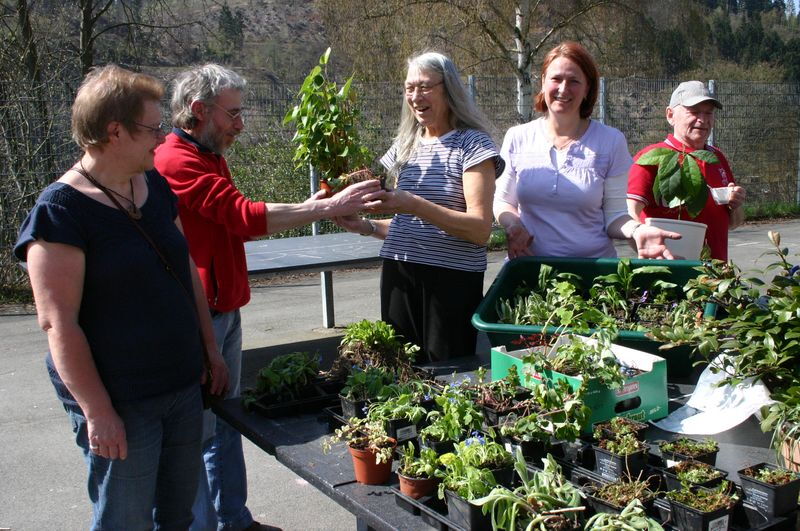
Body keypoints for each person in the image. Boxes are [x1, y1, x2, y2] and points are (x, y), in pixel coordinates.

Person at [153, 64, 382, 531]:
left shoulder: (208, 153)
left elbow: (235, 222)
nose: (240, 124)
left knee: (223, 423)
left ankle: (234, 520)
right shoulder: (177, 161)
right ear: (199, 111)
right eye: (233, 113)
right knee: (196, 434)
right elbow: (243, 217)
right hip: (200, 318)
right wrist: (327, 207)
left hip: (223, 310)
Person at [14, 65, 229, 529]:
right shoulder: (59, 212)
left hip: (181, 386)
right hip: (122, 401)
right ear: (115, 131)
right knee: (125, 519)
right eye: (153, 128)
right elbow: (58, 323)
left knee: (177, 517)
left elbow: (185, 268)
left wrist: (210, 348)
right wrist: (97, 411)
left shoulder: (153, 186)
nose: (162, 137)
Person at [334, 51, 504, 362]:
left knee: (446, 371)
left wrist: (411, 203)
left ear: (448, 88)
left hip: (450, 279)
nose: (415, 96)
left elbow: (480, 230)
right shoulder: (405, 145)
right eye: (409, 88)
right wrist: (366, 226)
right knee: (400, 367)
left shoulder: (473, 145)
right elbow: (409, 224)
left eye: (425, 87)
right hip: (400, 271)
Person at [493, 41, 678, 260]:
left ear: (587, 88)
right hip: (528, 271)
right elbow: (503, 201)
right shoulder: (518, 137)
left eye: (574, 81)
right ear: (543, 82)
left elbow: (616, 215)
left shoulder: (610, 141)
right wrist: (514, 225)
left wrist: (637, 230)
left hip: (593, 276)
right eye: (556, 79)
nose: (563, 89)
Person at [627, 80, 746, 261]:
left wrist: (735, 205)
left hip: (716, 276)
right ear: (670, 115)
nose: (703, 119)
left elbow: (732, 223)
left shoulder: (717, 157)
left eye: (708, 113)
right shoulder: (651, 158)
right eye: (694, 112)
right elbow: (629, 215)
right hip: (669, 273)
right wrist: (648, 251)